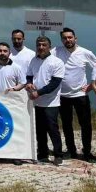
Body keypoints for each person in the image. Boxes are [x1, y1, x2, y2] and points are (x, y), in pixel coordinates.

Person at [52, 28, 96, 161]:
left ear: (75, 38)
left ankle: (87, 152)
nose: (68, 40)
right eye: (65, 38)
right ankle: (71, 150)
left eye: (70, 37)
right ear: (62, 40)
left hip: (80, 95)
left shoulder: (85, 53)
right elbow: (43, 58)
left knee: (86, 125)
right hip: (63, 95)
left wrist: (91, 85)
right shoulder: (56, 51)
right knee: (67, 125)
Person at [26, 36, 66, 165]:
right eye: (39, 45)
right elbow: (29, 75)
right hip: (36, 102)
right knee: (39, 130)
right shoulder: (34, 60)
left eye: (44, 45)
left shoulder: (57, 62)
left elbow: (55, 83)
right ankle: (42, 153)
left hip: (51, 102)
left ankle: (58, 155)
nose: (41, 47)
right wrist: (29, 83)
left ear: (49, 46)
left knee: (52, 129)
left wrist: (39, 92)